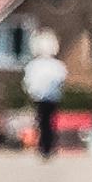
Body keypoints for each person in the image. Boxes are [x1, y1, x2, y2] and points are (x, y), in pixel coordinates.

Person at [23, 29, 69, 160]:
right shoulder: (56, 65)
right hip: (51, 98)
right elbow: (61, 81)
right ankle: (47, 146)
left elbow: (29, 82)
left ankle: (45, 146)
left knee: (44, 122)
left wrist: (32, 92)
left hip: (43, 98)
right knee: (48, 122)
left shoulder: (35, 65)